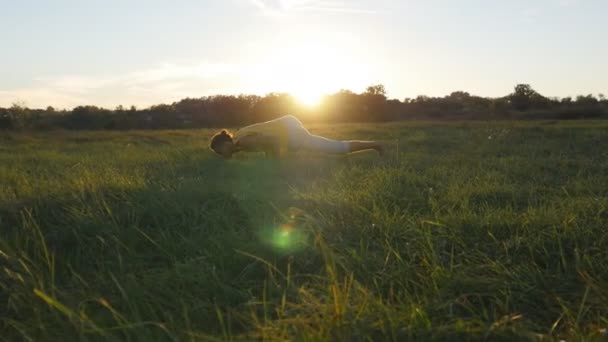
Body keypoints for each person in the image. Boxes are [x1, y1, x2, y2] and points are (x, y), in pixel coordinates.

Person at [209, 115, 383, 159]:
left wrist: (276, 165)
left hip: (288, 131)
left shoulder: (243, 141)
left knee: (335, 149)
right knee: (336, 147)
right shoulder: (240, 139)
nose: (221, 155)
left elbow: (273, 141)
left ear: (225, 143)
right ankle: (376, 144)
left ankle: (376, 145)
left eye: (220, 151)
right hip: (288, 124)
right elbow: (267, 143)